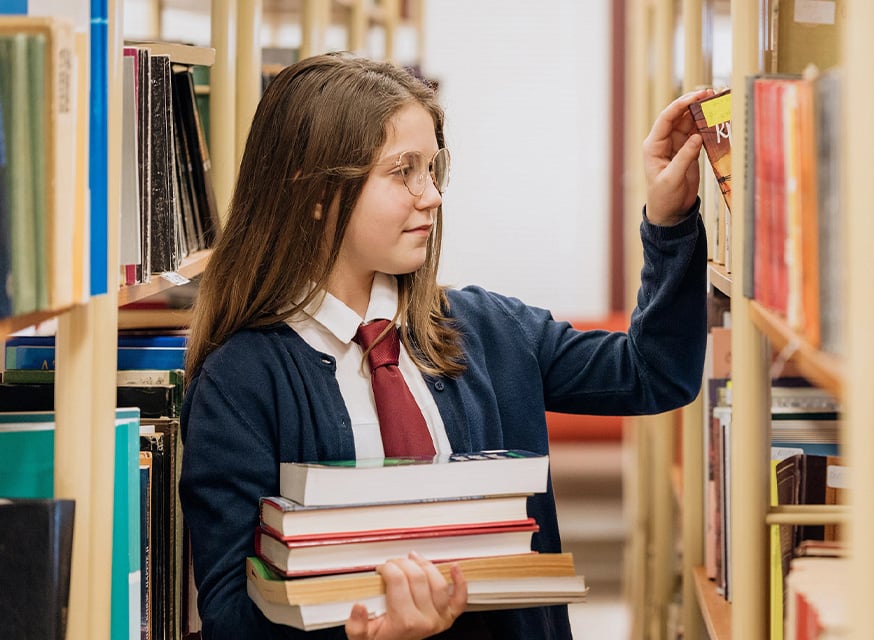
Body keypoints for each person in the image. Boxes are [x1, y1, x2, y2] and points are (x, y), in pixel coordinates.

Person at [179, 51, 711, 639]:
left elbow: (655, 373)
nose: (430, 195)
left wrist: (669, 221)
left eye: (433, 168)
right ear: (315, 193)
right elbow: (231, 614)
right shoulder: (241, 380)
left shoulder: (489, 331)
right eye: (402, 170)